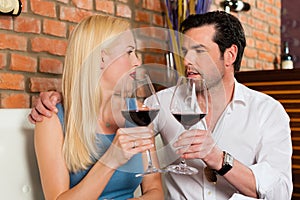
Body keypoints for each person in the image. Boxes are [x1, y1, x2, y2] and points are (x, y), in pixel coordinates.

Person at [29, 11, 292, 199]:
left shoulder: (267, 113)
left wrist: (220, 160)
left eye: (198, 51)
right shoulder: (154, 105)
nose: (186, 60)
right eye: (185, 50)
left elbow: (280, 191)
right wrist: (57, 97)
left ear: (230, 55)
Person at [33, 15, 164, 200]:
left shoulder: (138, 113)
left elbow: (155, 189)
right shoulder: (51, 119)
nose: (137, 61)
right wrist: (112, 159)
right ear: (101, 58)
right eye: (129, 52)